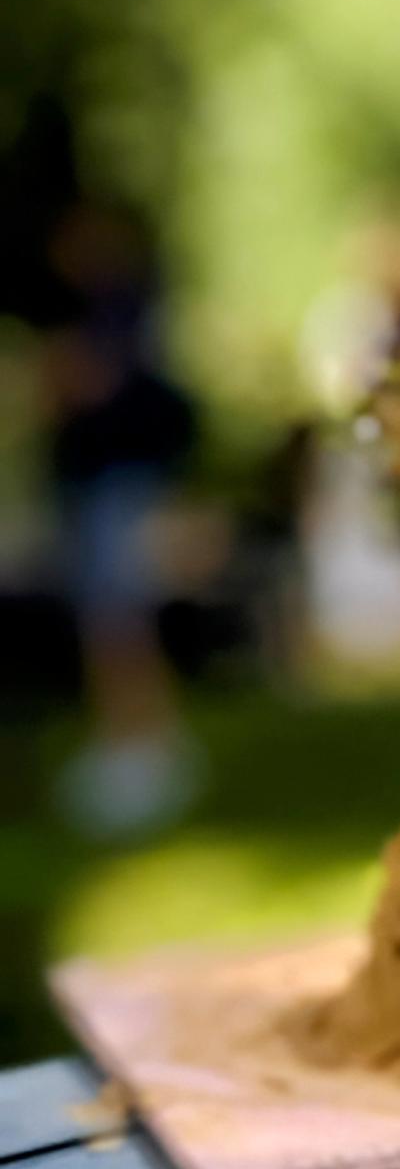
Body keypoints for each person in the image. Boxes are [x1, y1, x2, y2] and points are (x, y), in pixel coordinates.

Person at [39, 200, 199, 837]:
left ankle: (145, 755)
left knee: (117, 618)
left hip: (116, 485)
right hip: (101, 485)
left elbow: (84, 384)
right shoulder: (110, 309)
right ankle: (132, 747)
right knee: (110, 619)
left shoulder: (119, 311)